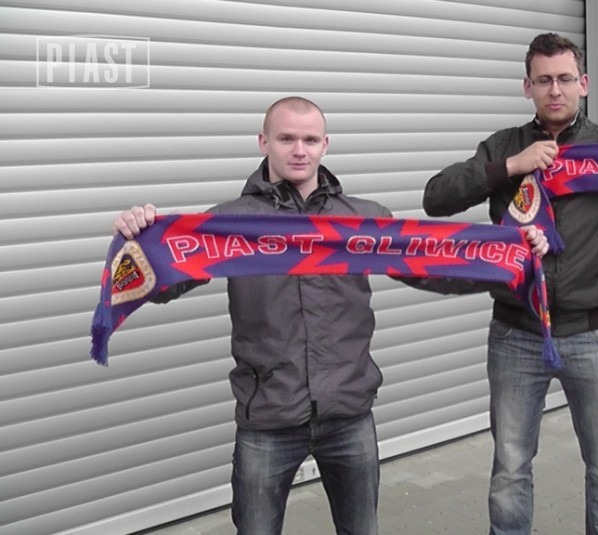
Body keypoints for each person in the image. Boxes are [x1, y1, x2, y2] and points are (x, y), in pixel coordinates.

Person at [112, 96, 549, 535]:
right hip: (268, 419)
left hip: (349, 415)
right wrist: (140, 241)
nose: (299, 150)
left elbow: (435, 270)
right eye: (286, 139)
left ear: (326, 145)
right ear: (264, 142)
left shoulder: (364, 221)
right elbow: (165, 284)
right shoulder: (231, 223)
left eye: (310, 140)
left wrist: (512, 254)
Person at [422, 33, 598, 535]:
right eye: (543, 80)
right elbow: (437, 198)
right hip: (515, 333)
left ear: (584, 83)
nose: (555, 90)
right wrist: (511, 167)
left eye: (565, 79)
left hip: (594, 332)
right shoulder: (503, 146)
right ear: (528, 87)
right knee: (510, 469)